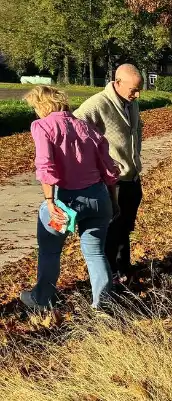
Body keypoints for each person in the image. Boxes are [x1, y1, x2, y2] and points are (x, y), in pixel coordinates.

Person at [19, 86, 120, 311]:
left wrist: (49, 201)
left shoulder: (42, 126)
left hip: (64, 200)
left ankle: (43, 299)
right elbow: (109, 171)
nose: (35, 112)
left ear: (43, 105)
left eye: (35, 107)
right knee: (96, 252)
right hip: (98, 198)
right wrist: (113, 202)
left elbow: (45, 165)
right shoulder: (88, 128)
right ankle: (103, 305)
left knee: (50, 251)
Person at [75, 63, 144, 283]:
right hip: (113, 182)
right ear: (117, 83)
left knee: (126, 227)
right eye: (133, 89)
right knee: (112, 230)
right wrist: (97, 164)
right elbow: (74, 127)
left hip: (132, 177)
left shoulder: (131, 104)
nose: (137, 94)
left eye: (139, 89)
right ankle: (109, 276)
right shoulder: (98, 104)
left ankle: (124, 268)